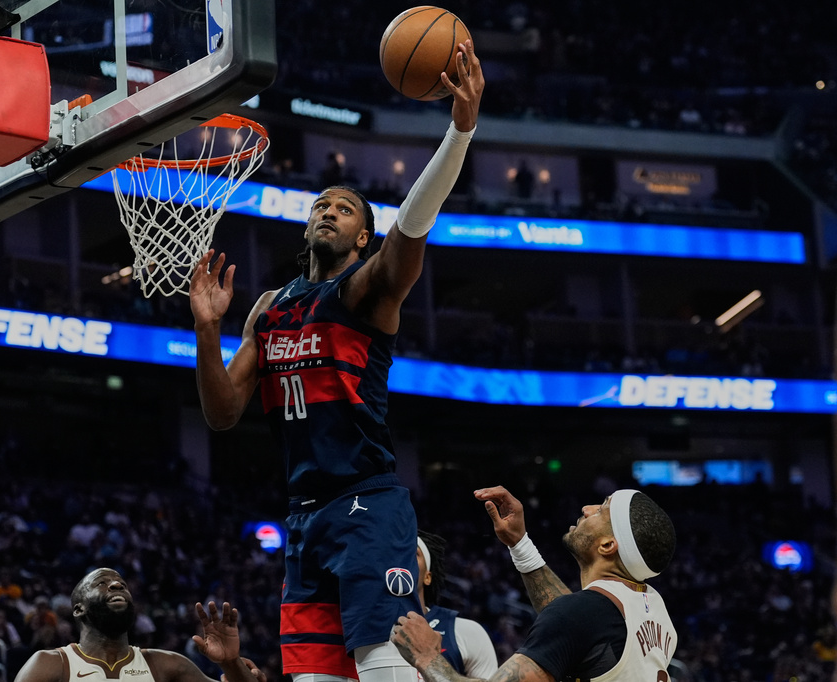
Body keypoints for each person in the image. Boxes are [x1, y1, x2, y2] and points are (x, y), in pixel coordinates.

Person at [190, 39, 484, 682]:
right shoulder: (268, 306)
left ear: (361, 238)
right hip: (303, 516)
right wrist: (207, 332)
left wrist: (458, 135)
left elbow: (410, 227)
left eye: (344, 208)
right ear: (306, 228)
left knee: (383, 665)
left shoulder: (362, 293)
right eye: (320, 204)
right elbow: (221, 414)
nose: (328, 210)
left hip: (367, 504)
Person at [392, 487, 677, 682]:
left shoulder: (584, 613)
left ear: (607, 545)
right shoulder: (651, 604)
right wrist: (520, 544)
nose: (587, 509)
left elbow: (572, 620)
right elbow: (575, 627)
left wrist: (428, 657)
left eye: (601, 511)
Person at [13, 567, 264, 682]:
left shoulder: (166, 665)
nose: (116, 585)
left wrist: (230, 663)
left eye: (122, 583)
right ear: (79, 609)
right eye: (101, 583)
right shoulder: (50, 664)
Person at [415, 531, 499, 679]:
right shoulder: (363, 631)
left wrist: (431, 660)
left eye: (413, 553)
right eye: (396, 552)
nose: (401, 558)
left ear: (427, 577)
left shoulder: (465, 632)